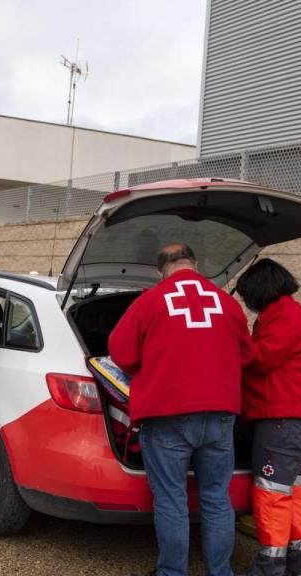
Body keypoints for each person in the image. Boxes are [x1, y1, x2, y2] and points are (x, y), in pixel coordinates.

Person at [109, 244, 252, 576]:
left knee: (172, 501)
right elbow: (245, 356)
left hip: (168, 414)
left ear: (160, 271)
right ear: (196, 264)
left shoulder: (150, 300)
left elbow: (121, 352)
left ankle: (172, 572)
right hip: (220, 414)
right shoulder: (226, 303)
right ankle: (221, 571)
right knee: (217, 499)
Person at [235, 259, 301, 576]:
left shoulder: (284, 316)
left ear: (260, 291)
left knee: (271, 492)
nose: (248, 304)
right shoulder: (287, 313)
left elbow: (260, 358)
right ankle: (294, 563)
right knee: (293, 491)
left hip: (284, 420)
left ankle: (269, 567)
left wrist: (232, 343)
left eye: (248, 297)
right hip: (299, 419)